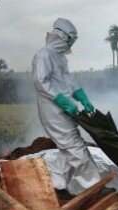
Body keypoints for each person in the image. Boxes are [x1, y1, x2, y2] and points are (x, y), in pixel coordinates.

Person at [32, 18, 101, 195]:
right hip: (53, 110)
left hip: (65, 109)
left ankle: (60, 185)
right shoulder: (43, 55)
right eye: (71, 39)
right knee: (75, 146)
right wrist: (63, 101)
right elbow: (41, 82)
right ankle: (93, 186)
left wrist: (81, 96)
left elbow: (68, 81)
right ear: (62, 36)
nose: (72, 43)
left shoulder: (60, 58)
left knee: (68, 149)